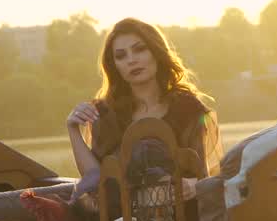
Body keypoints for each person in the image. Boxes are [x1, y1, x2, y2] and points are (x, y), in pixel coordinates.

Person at [65, 18, 223, 209]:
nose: (132, 60)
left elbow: (204, 175)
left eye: (140, 49)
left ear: (156, 52)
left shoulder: (188, 108)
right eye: (121, 56)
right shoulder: (105, 113)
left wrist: (194, 185)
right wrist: (73, 129)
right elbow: (96, 182)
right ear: (115, 65)